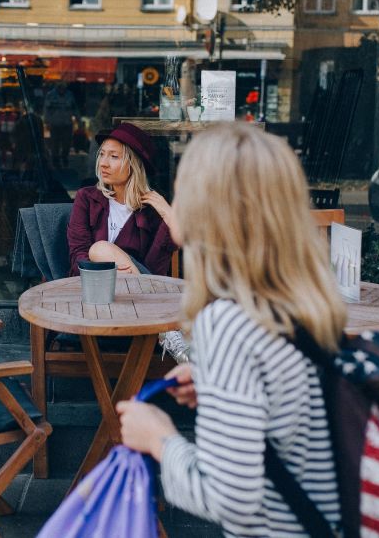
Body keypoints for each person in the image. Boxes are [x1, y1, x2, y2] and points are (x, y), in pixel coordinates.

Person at [117, 122, 346, 537]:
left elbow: (228, 499)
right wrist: (213, 381)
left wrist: (158, 438)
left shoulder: (227, 323)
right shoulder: (303, 304)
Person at [66, 122, 177, 277]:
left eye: (114, 156)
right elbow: (78, 255)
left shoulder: (151, 208)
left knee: (100, 248)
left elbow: (154, 270)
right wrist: (110, 273)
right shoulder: (87, 198)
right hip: (94, 283)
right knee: (99, 249)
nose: (103, 163)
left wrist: (168, 216)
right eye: (102, 154)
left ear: (134, 164)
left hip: (139, 287)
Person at [42, 82, 78, 168]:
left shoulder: (70, 95)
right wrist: (47, 122)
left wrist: (78, 119)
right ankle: (55, 161)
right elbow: (46, 110)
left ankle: (64, 157)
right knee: (55, 144)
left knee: (67, 144)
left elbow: (74, 108)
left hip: (67, 124)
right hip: (55, 124)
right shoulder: (50, 95)